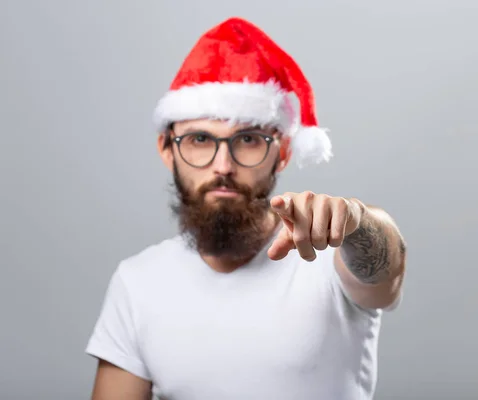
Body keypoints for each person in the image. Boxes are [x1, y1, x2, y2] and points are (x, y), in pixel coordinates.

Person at [86, 16, 407, 400]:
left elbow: (386, 274)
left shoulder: (329, 251)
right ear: (167, 150)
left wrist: (357, 223)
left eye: (249, 139)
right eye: (201, 139)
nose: (223, 166)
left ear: (283, 152)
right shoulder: (137, 283)